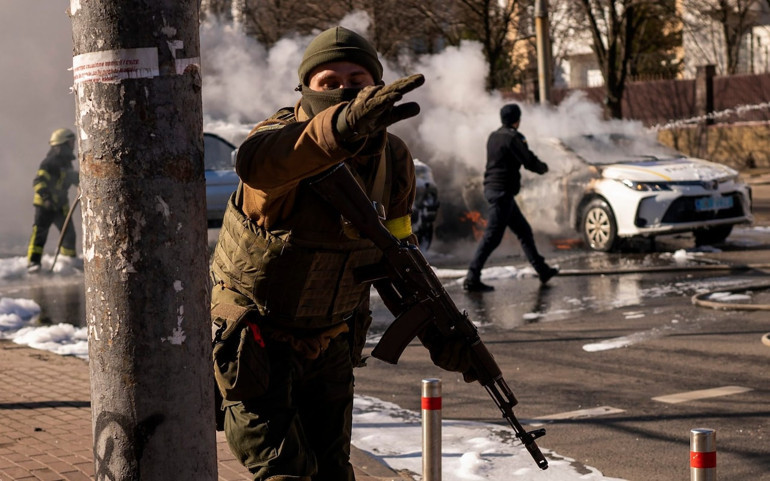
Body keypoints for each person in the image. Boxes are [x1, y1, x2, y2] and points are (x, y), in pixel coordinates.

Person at [209, 26, 473, 481]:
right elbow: (256, 163)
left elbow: (399, 253)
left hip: (330, 341)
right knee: (284, 472)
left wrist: (443, 334)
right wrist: (340, 127)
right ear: (304, 88)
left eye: (357, 79)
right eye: (328, 82)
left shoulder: (393, 158)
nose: (344, 90)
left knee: (334, 472)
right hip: (257, 344)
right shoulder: (278, 140)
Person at [463, 103, 558, 292]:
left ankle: (542, 270)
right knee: (492, 237)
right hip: (502, 192)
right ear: (517, 119)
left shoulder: (493, 136)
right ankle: (472, 277)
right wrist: (543, 168)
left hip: (494, 189)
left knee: (523, 231)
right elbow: (529, 161)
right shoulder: (514, 138)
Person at [27, 128, 79, 274]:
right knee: (40, 233)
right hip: (45, 205)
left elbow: (71, 178)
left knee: (69, 233)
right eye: (71, 141)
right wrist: (47, 198)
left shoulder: (66, 163)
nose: (73, 144)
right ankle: (33, 262)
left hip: (61, 205)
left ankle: (68, 261)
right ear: (62, 143)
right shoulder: (49, 162)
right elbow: (38, 181)